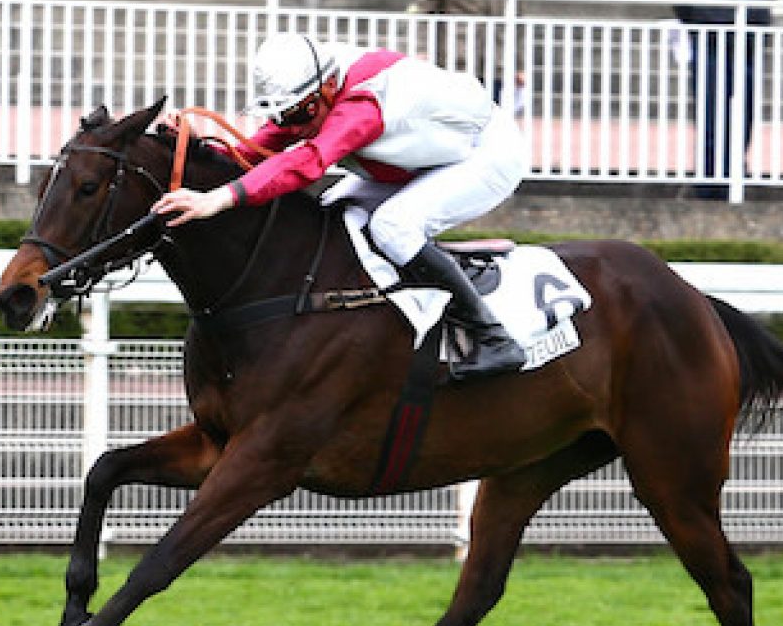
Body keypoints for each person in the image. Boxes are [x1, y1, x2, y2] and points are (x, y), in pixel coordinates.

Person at [152, 33, 531, 381]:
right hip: (420, 160)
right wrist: (198, 147)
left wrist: (217, 199)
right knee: (330, 215)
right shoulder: (313, 96)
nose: (294, 127)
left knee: (393, 226)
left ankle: (492, 335)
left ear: (329, 87)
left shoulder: (362, 104)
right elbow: (257, 153)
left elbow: (309, 162)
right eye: (285, 117)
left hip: (485, 155)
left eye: (299, 116)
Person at [669, 0, 783, 201]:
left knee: (744, 112)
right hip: (712, 42)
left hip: (748, 43)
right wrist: (702, 23)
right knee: (711, 111)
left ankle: (735, 173)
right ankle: (708, 181)